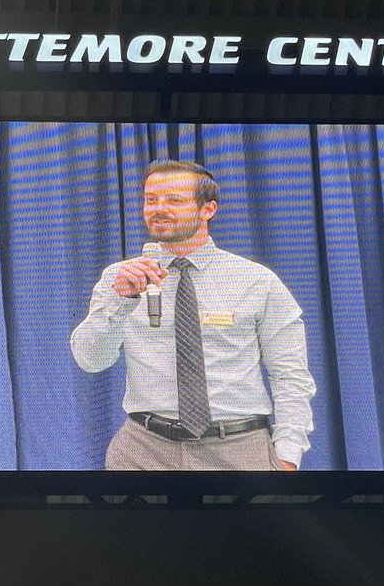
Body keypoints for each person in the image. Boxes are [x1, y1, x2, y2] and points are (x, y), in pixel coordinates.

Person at [70, 159, 316, 470]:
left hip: (240, 449)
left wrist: (288, 456)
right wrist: (121, 301)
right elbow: (91, 360)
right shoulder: (119, 279)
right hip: (143, 450)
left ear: (208, 209)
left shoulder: (257, 281)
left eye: (174, 199)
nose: (159, 208)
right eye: (150, 199)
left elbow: (291, 376)